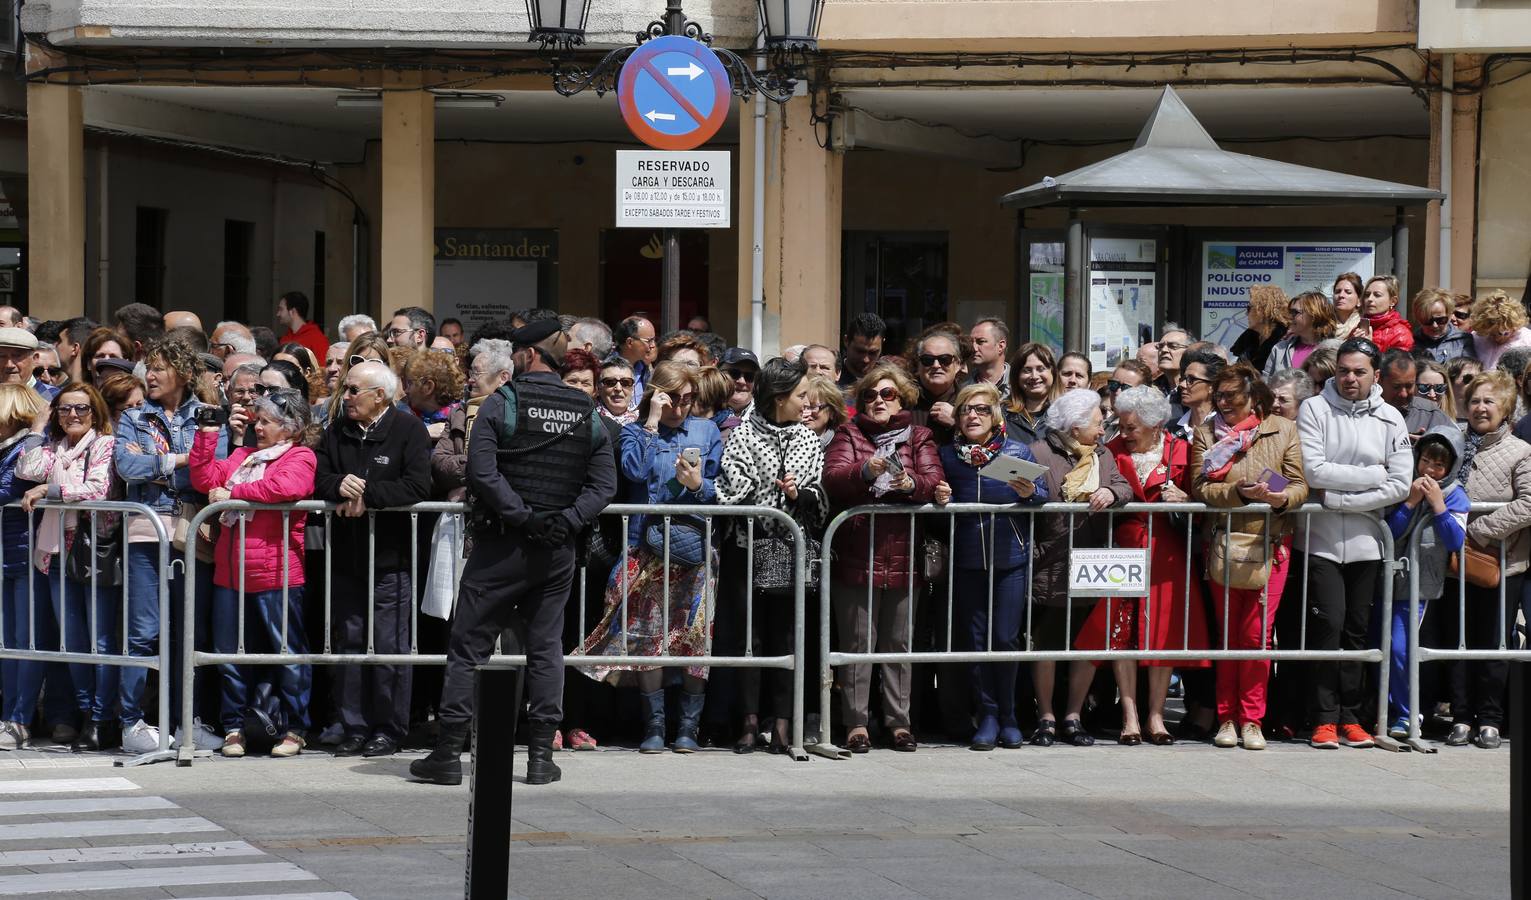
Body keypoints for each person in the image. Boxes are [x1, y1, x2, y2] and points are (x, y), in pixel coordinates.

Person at [413, 321, 616, 786]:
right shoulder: (586, 409)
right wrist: (563, 520)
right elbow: (603, 484)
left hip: (503, 544)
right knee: (546, 649)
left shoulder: (504, 402)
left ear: (526, 355)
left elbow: (482, 473)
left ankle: (447, 756)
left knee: (467, 648)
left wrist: (523, 516)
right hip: (556, 549)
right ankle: (541, 758)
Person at [575, 362, 722, 753]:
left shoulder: (707, 431)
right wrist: (652, 420)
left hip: (693, 548)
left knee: (694, 640)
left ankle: (688, 727)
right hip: (645, 546)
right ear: (657, 394)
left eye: (688, 399)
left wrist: (698, 485)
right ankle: (654, 726)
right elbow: (634, 471)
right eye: (673, 398)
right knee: (647, 641)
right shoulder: (634, 431)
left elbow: (720, 489)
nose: (681, 406)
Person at [1296, 338, 1412, 749]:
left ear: (1375, 375)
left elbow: (1399, 482)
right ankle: (1323, 718)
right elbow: (1313, 470)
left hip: (1368, 541)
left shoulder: (1391, 418)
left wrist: (1343, 498)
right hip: (1321, 540)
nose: (1350, 378)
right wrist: (1372, 476)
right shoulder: (1314, 408)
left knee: (1357, 631)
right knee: (1327, 625)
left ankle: (1351, 717)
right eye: (1344, 370)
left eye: (1359, 371)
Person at [1076, 386, 1208, 745]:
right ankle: (1130, 716)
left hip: (1168, 552)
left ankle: (1156, 716)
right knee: (1121, 633)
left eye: (1131, 427)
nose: (1124, 432)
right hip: (1123, 549)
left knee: (1163, 635)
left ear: (1155, 424)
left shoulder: (1181, 449)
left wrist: (1187, 498)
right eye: (1121, 424)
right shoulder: (1110, 450)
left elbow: (1204, 493)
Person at [313, 360, 432, 758]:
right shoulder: (338, 430)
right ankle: (354, 726)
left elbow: (418, 484)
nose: (344, 397)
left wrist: (370, 496)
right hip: (346, 557)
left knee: (389, 645)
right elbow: (319, 476)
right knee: (349, 643)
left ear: (379, 395)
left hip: (390, 560)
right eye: (344, 389)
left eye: (352, 390)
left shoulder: (408, 429)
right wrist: (338, 485)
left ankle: (388, 728)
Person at [190, 388, 318, 758]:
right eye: (256, 420)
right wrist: (207, 434)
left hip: (277, 573)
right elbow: (204, 479)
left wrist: (232, 493)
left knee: (287, 652)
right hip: (231, 573)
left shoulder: (301, 455)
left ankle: (295, 728)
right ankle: (233, 727)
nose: (257, 426)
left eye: (266, 421)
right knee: (228, 653)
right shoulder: (243, 455)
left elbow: (288, 486)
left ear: (290, 427)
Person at [113, 336, 225, 754]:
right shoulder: (135, 417)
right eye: (148, 366)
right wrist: (181, 459)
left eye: (158, 367)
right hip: (147, 531)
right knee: (143, 631)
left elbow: (209, 473)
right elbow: (127, 466)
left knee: (188, 632)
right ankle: (132, 723)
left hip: (193, 532)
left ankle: (186, 722)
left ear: (182, 372)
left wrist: (162, 465)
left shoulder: (209, 416)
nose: (150, 375)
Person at [823, 363, 941, 752]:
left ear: (901, 400)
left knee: (899, 644)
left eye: (887, 394)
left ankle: (899, 722)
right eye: (870, 395)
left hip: (904, 554)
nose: (878, 401)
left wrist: (911, 484)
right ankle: (856, 723)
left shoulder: (919, 436)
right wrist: (864, 469)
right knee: (858, 644)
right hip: (857, 553)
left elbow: (933, 481)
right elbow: (833, 478)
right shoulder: (848, 433)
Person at [1189, 365, 1308, 751]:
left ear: (1252, 396)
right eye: (1218, 396)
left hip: (1270, 544)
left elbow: (1298, 484)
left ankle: (1252, 719)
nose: (1222, 403)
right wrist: (1238, 492)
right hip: (1223, 543)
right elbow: (1200, 485)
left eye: (1230, 397)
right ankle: (1226, 717)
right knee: (1227, 634)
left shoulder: (1281, 428)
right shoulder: (1206, 432)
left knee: (1257, 635)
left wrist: (1280, 499)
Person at [715, 358, 827, 754]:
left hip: (790, 549)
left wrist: (800, 495)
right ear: (780, 398)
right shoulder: (743, 435)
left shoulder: (809, 439)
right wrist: (765, 500)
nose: (807, 404)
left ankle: (782, 723)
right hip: (746, 548)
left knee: (786, 636)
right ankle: (747, 722)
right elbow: (730, 489)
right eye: (800, 396)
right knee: (750, 637)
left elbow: (819, 495)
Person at [930, 383, 1046, 750]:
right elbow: (931, 488)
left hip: (1010, 557)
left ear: (995, 416)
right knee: (976, 641)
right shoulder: (948, 456)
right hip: (967, 560)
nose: (973, 416)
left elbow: (1043, 495)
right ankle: (988, 714)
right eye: (965, 409)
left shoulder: (1015, 450)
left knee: (1005, 638)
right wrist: (938, 493)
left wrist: (1031, 493)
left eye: (981, 409)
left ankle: (1010, 715)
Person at [1027, 389, 1133, 747]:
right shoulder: (1040, 453)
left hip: (1093, 562)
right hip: (1051, 563)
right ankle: (1045, 716)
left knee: (1086, 645)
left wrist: (1112, 493)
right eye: (1098, 422)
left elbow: (1123, 485)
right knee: (1048, 645)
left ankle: (1073, 715)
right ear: (1075, 426)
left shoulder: (1102, 455)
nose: (1103, 429)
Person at [16, 383, 117, 751]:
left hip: (92, 554)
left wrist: (49, 490)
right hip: (56, 554)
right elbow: (27, 469)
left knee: (101, 640)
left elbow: (98, 488)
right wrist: (37, 428)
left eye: (82, 409)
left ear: (95, 413)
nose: (73, 415)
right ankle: (87, 710)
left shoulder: (104, 444)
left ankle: (102, 718)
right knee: (73, 642)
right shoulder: (52, 448)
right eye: (64, 409)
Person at [1444, 371, 1531, 749]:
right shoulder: (1454, 444)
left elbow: (1528, 502)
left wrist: (1480, 530)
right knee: (1458, 640)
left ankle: (1491, 718)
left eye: (1489, 402)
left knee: (1494, 641)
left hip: (1501, 561)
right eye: (1475, 400)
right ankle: (1461, 716)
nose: (1480, 408)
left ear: (1506, 408)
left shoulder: (1521, 452)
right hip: (1454, 562)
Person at [1383, 427, 1467, 740]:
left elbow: (1455, 538)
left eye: (1439, 465)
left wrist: (1438, 506)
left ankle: (1410, 713)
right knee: (1390, 648)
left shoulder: (1456, 492)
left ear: (1451, 467)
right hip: (1394, 578)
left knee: (1404, 649)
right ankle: (1395, 710)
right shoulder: (1404, 486)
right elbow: (1390, 533)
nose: (1430, 470)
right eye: (1426, 460)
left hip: (1423, 585)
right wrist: (1410, 502)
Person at [0, 385, 50, 751]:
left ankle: (19, 718)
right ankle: (8, 714)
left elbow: (7, 487)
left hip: (26, 554)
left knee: (25, 642)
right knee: (8, 643)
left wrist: (34, 433)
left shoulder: (27, 447)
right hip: (6, 553)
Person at [1378, 349, 1456, 440]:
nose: (1403, 394)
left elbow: (1456, 443)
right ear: (1379, 380)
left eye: (1409, 386)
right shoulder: (1363, 411)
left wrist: (1430, 444)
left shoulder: (1430, 413)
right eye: (1396, 386)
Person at [1264, 291, 1337, 377]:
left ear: (1314, 315)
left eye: (1295, 312)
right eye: (1289, 312)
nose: (1290, 317)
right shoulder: (1280, 349)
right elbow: (1266, 383)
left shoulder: (1336, 350)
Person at [912, 331, 964, 445]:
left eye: (945, 359)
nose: (936, 365)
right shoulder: (903, 402)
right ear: (918, 365)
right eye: (928, 360)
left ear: (958, 365)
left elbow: (986, 447)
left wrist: (957, 423)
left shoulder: (971, 402)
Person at [402, 350, 464, 442]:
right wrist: (423, 432)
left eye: (410, 383)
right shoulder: (402, 412)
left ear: (428, 387)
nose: (406, 390)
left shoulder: (460, 419)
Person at [1003, 343, 1057, 446]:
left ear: (1053, 372)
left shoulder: (1064, 414)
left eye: (1041, 369)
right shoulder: (1002, 415)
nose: (1034, 376)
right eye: (1027, 370)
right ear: (1017, 376)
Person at [1231, 285, 1290, 372]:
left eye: (1249, 308)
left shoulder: (1284, 340)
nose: (1246, 314)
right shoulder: (1249, 336)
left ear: (1263, 311)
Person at [1168, 349, 1223, 442]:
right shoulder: (1171, 429)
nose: (1182, 385)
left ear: (1212, 386)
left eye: (1191, 380)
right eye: (1183, 379)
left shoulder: (1223, 428)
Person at [1470, 290, 1531, 370]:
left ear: (1514, 325)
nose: (1497, 338)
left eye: (1504, 333)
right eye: (1491, 334)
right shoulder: (1476, 337)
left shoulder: (1527, 339)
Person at [1411, 287, 1475, 364]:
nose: (1434, 325)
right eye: (1427, 321)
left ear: (1449, 315)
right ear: (1418, 319)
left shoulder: (1463, 340)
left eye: (1440, 320)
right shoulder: (1412, 342)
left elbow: (1470, 372)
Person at [1360, 275, 1413, 353]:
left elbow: (1397, 364)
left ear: (1392, 301)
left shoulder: (1400, 333)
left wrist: (1369, 347)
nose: (1370, 299)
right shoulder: (1360, 326)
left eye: (1377, 295)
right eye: (1367, 295)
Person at [614, 316, 657, 407]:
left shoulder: (645, 367)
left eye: (653, 340)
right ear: (630, 342)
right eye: (649, 341)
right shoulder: (607, 369)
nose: (653, 345)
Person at [838, 312, 886, 390]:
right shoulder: (833, 381)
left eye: (873, 353)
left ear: (882, 344)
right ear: (846, 341)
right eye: (859, 351)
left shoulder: (888, 381)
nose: (865, 360)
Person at [275, 291, 328, 360]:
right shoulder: (285, 337)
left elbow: (322, 368)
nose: (278, 314)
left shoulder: (317, 339)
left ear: (292, 312)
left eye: (281, 309)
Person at [967, 318, 1009, 400]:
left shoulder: (1019, 385)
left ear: (1000, 346)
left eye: (981, 341)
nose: (974, 348)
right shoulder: (963, 389)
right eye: (971, 342)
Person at [804, 374, 847, 446]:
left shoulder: (842, 443)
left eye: (813, 407)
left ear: (832, 412)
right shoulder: (788, 439)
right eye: (803, 406)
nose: (806, 412)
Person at [596, 357, 638, 426]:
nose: (618, 388)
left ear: (633, 388)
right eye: (610, 382)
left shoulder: (644, 420)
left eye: (626, 382)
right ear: (599, 387)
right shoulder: (588, 418)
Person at [721, 348, 760, 415]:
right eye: (734, 373)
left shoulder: (767, 417)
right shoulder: (702, 412)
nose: (742, 381)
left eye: (749, 376)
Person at [1154, 325, 1193, 393]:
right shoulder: (1151, 389)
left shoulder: (1195, 390)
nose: (1164, 350)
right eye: (1160, 346)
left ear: (1189, 351)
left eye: (1173, 346)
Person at [1447, 357, 1484, 423]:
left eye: (1479, 379)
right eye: (1468, 378)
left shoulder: (1486, 419)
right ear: (1449, 382)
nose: (1475, 383)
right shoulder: (1437, 419)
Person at [1332, 272, 1365, 341]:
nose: (1341, 295)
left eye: (1348, 292)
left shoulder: (1362, 326)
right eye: (1337, 291)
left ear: (1359, 300)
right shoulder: (1323, 324)